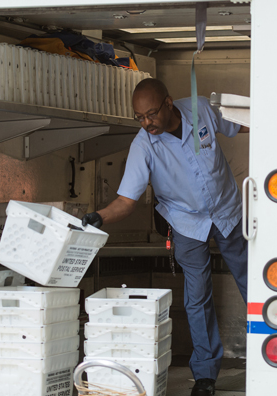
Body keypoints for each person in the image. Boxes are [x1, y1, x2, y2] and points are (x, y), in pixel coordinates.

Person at [82, 78, 249, 396]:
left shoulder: (201, 110)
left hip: (229, 212)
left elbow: (241, 124)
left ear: (170, 103)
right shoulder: (143, 146)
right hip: (187, 223)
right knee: (197, 298)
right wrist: (99, 217)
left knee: (255, 285)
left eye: (151, 114)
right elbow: (126, 201)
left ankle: (276, 357)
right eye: (139, 117)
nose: (146, 123)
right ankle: (205, 376)